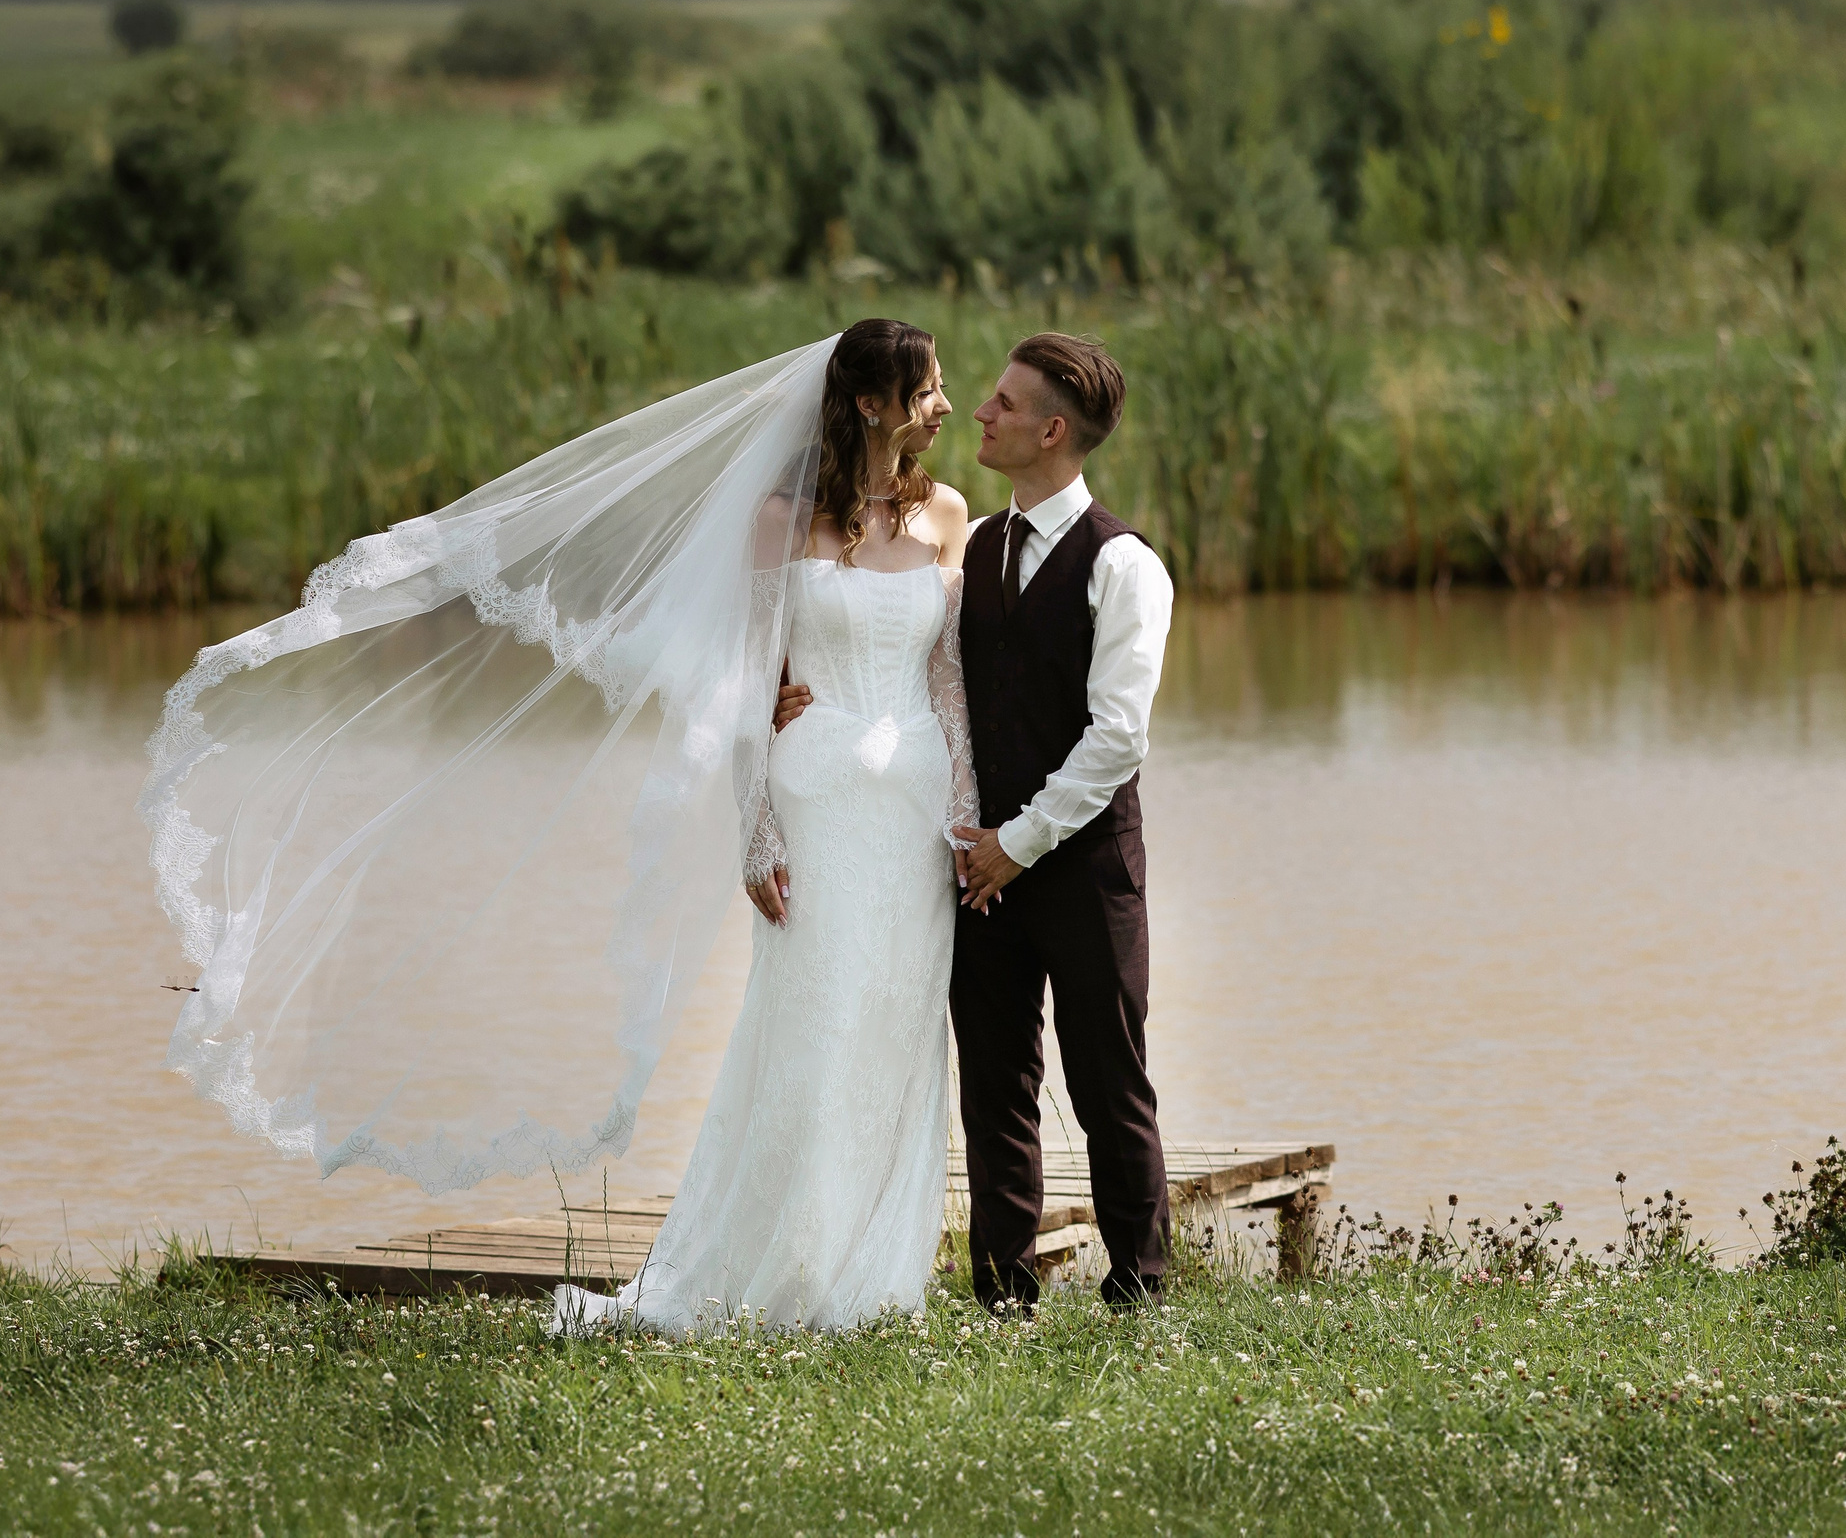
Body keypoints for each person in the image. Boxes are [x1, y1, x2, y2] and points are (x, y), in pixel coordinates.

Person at [140, 321, 986, 1334]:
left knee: (895, 1025)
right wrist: (752, 832)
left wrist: (967, 814)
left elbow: (948, 679)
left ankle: (874, 1281)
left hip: (912, 811)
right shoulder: (779, 520)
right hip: (816, 800)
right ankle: (780, 1273)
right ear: (868, 403)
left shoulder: (946, 513)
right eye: (928, 387)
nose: (944, 404)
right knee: (817, 1027)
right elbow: (743, 683)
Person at [776, 333, 1175, 1314]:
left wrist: (1016, 842)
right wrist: (793, 696)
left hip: (1077, 867)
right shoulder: (978, 541)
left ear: (1050, 430)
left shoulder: (1123, 567)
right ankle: (1004, 1293)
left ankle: (1140, 1289)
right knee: (994, 1089)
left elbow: (1118, 737)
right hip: (974, 865)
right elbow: (924, 669)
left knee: (1107, 1081)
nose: (977, 415)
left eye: (1000, 404)